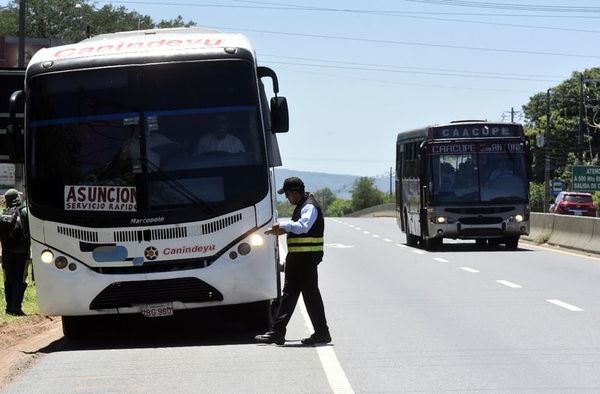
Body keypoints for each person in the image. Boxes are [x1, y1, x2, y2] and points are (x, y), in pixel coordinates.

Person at [255, 177, 331, 346]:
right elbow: (298, 229)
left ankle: (319, 332)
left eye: (288, 194)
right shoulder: (302, 206)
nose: (287, 198)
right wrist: (280, 230)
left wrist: (284, 225)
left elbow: (303, 226)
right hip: (298, 260)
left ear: (295, 192)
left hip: (306, 260)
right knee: (292, 296)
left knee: (307, 297)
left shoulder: (309, 206)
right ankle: (279, 332)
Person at [0, 189, 30, 316]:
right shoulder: (24, 211)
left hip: (6, 253)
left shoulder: (3, 214)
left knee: (9, 280)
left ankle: (8, 308)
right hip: (22, 253)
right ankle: (16, 307)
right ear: (17, 198)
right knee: (20, 279)